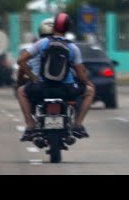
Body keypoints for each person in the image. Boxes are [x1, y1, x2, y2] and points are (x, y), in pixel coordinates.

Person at [16, 12, 96, 141]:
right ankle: (78, 124)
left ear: (53, 28)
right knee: (90, 91)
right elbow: (81, 74)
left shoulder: (42, 43)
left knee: (21, 91)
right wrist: (87, 82)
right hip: (66, 89)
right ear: (68, 29)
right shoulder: (73, 47)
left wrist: (32, 76)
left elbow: (21, 61)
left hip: (42, 88)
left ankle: (30, 126)